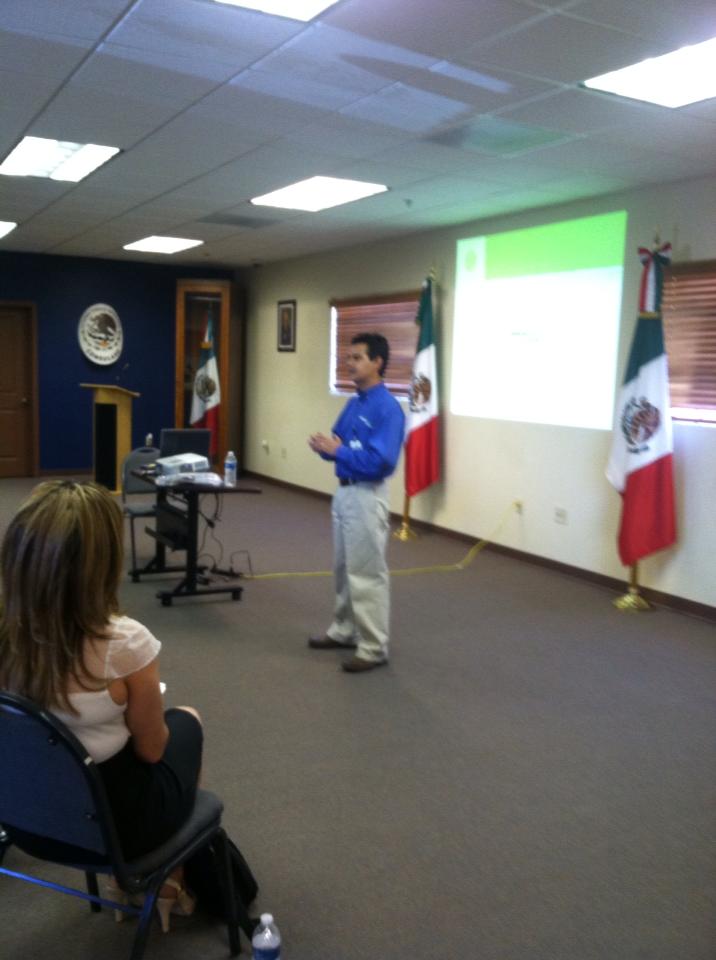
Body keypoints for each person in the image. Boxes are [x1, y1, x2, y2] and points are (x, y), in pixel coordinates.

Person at [0, 480, 201, 932]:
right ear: (101, 565)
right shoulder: (124, 644)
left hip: (25, 819)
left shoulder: (7, 634)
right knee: (188, 720)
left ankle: (127, 885)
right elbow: (151, 750)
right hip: (110, 831)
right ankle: (167, 882)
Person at [308, 332, 405, 673]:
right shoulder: (355, 403)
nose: (349, 363)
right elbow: (338, 443)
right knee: (343, 568)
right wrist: (325, 448)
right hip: (345, 493)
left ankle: (373, 647)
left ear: (377, 362)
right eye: (348, 358)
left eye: (357, 358)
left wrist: (340, 452)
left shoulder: (387, 408)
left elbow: (383, 462)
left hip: (367, 495)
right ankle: (344, 629)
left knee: (366, 573)